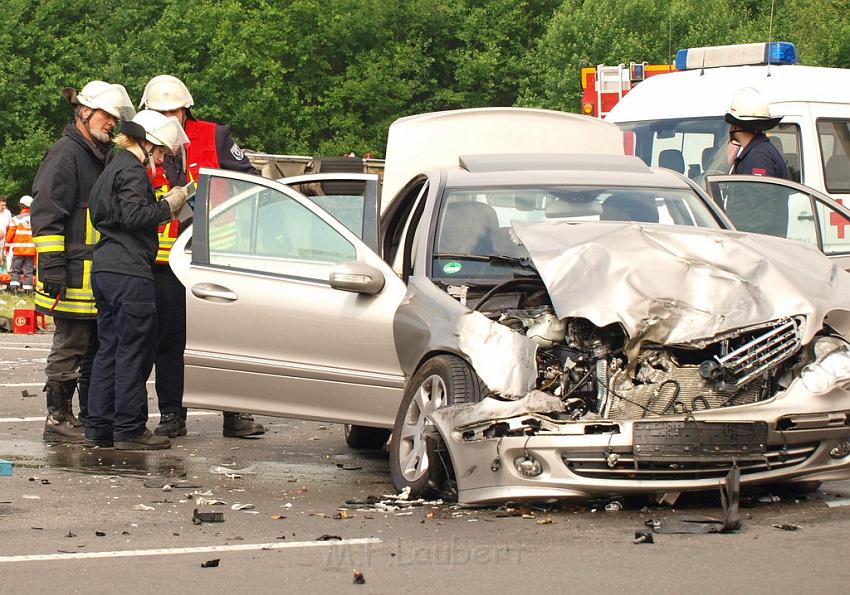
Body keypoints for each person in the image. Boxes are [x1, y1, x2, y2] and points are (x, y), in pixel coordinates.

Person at [138, 74, 265, 439]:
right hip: (164, 262)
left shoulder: (214, 135)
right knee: (168, 341)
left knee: (226, 339)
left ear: (186, 108)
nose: (167, 117)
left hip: (215, 256)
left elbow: (250, 179)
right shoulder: (141, 145)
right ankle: (172, 415)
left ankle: (235, 414)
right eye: (160, 112)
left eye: (173, 111)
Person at [31, 81, 135, 443]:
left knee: (91, 348)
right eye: (108, 116)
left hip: (94, 273)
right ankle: (58, 419)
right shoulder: (66, 154)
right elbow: (47, 214)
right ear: (85, 112)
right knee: (70, 345)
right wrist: (54, 267)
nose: (112, 124)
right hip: (72, 272)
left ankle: (90, 417)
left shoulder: (96, 153)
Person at [85, 110, 190, 450]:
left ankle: (100, 427)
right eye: (159, 152)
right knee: (133, 350)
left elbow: (111, 214)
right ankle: (130, 428)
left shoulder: (111, 168)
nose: (160, 160)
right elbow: (133, 215)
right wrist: (169, 204)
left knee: (109, 350)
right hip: (130, 273)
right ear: (146, 144)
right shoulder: (131, 170)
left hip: (105, 269)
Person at [724, 87, 791, 237]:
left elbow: (761, 211)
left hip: (755, 246)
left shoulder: (758, 156)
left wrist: (748, 244)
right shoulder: (757, 151)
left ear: (736, 125)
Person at [4, 195, 35, 293]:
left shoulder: (15, 219)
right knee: (28, 272)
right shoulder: (36, 220)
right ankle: (28, 291)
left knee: (16, 271)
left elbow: (10, 236)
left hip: (18, 251)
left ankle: (14, 291)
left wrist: (7, 248)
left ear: (21, 206)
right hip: (31, 251)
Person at [0, 196, 11, 269]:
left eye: (4, 205)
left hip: (4, 241)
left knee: (2, 260)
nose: (3, 207)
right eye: (2, 205)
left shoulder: (7, 212)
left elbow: (10, 225)